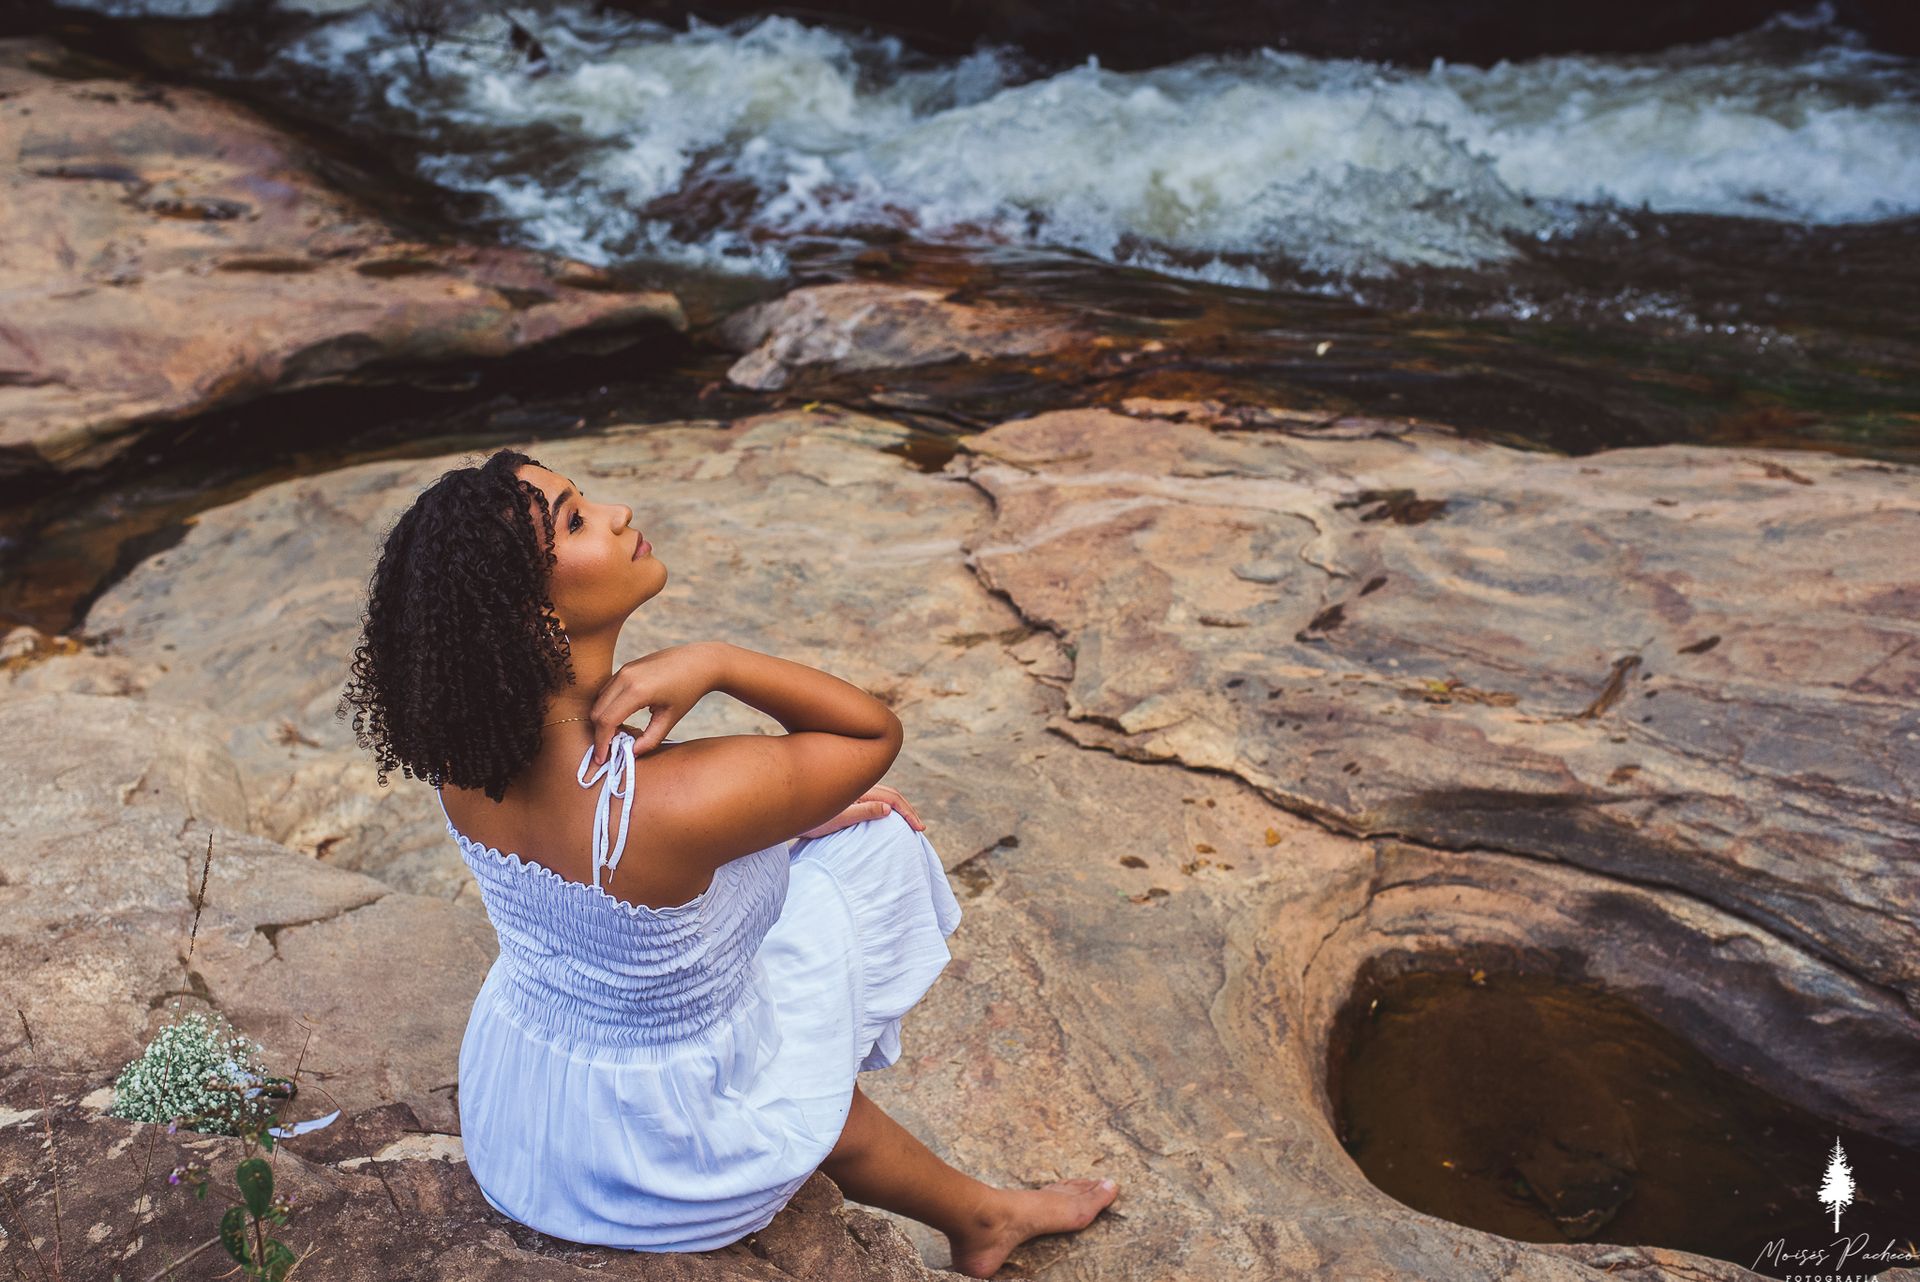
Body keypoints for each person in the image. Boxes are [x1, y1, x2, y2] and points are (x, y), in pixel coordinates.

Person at [337, 446, 1118, 1276]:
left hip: (535, 1095)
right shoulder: (676, 803)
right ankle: (984, 1216)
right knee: (875, 846)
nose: (618, 512)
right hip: (665, 1138)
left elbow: (617, 873)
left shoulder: (464, 751)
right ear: (536, 621)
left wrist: (778, 821)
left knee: (820, 868)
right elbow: (872, 735)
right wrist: (718, 661)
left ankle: (980, 1217)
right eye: (575, 519)